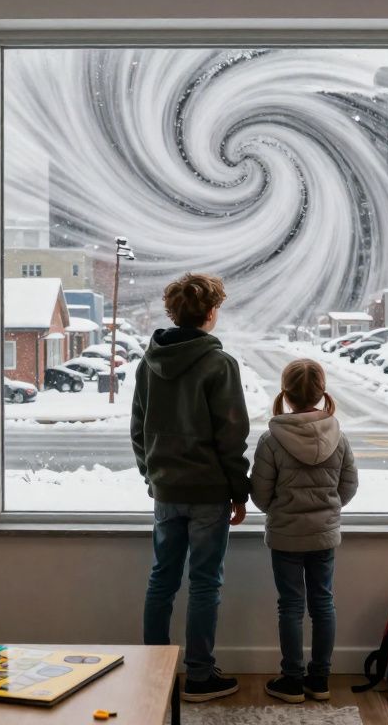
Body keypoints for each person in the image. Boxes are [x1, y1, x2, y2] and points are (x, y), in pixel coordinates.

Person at [132, 272, 250, 703]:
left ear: (173, 312)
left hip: (167, 492)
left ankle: (154, 674)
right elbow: (231, 436)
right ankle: (200, 676)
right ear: (211, 313)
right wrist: (240, 491)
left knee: (161, 580)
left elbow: (138, 430)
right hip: (208, 494)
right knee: (204, 583)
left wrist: (153, 476)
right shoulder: (220, 365)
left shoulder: (149, 363)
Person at [250, 358, 358, 704]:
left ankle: (292, 680)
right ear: (322, 392)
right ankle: (320, 679)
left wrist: (282, 510)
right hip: (324, 536)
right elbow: (349, 486)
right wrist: (326, 510)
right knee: (323, 603)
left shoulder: (271, 439)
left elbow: (260, 494)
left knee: (291, 606)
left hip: (286, 536)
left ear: (286, 393)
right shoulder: (337, 435)